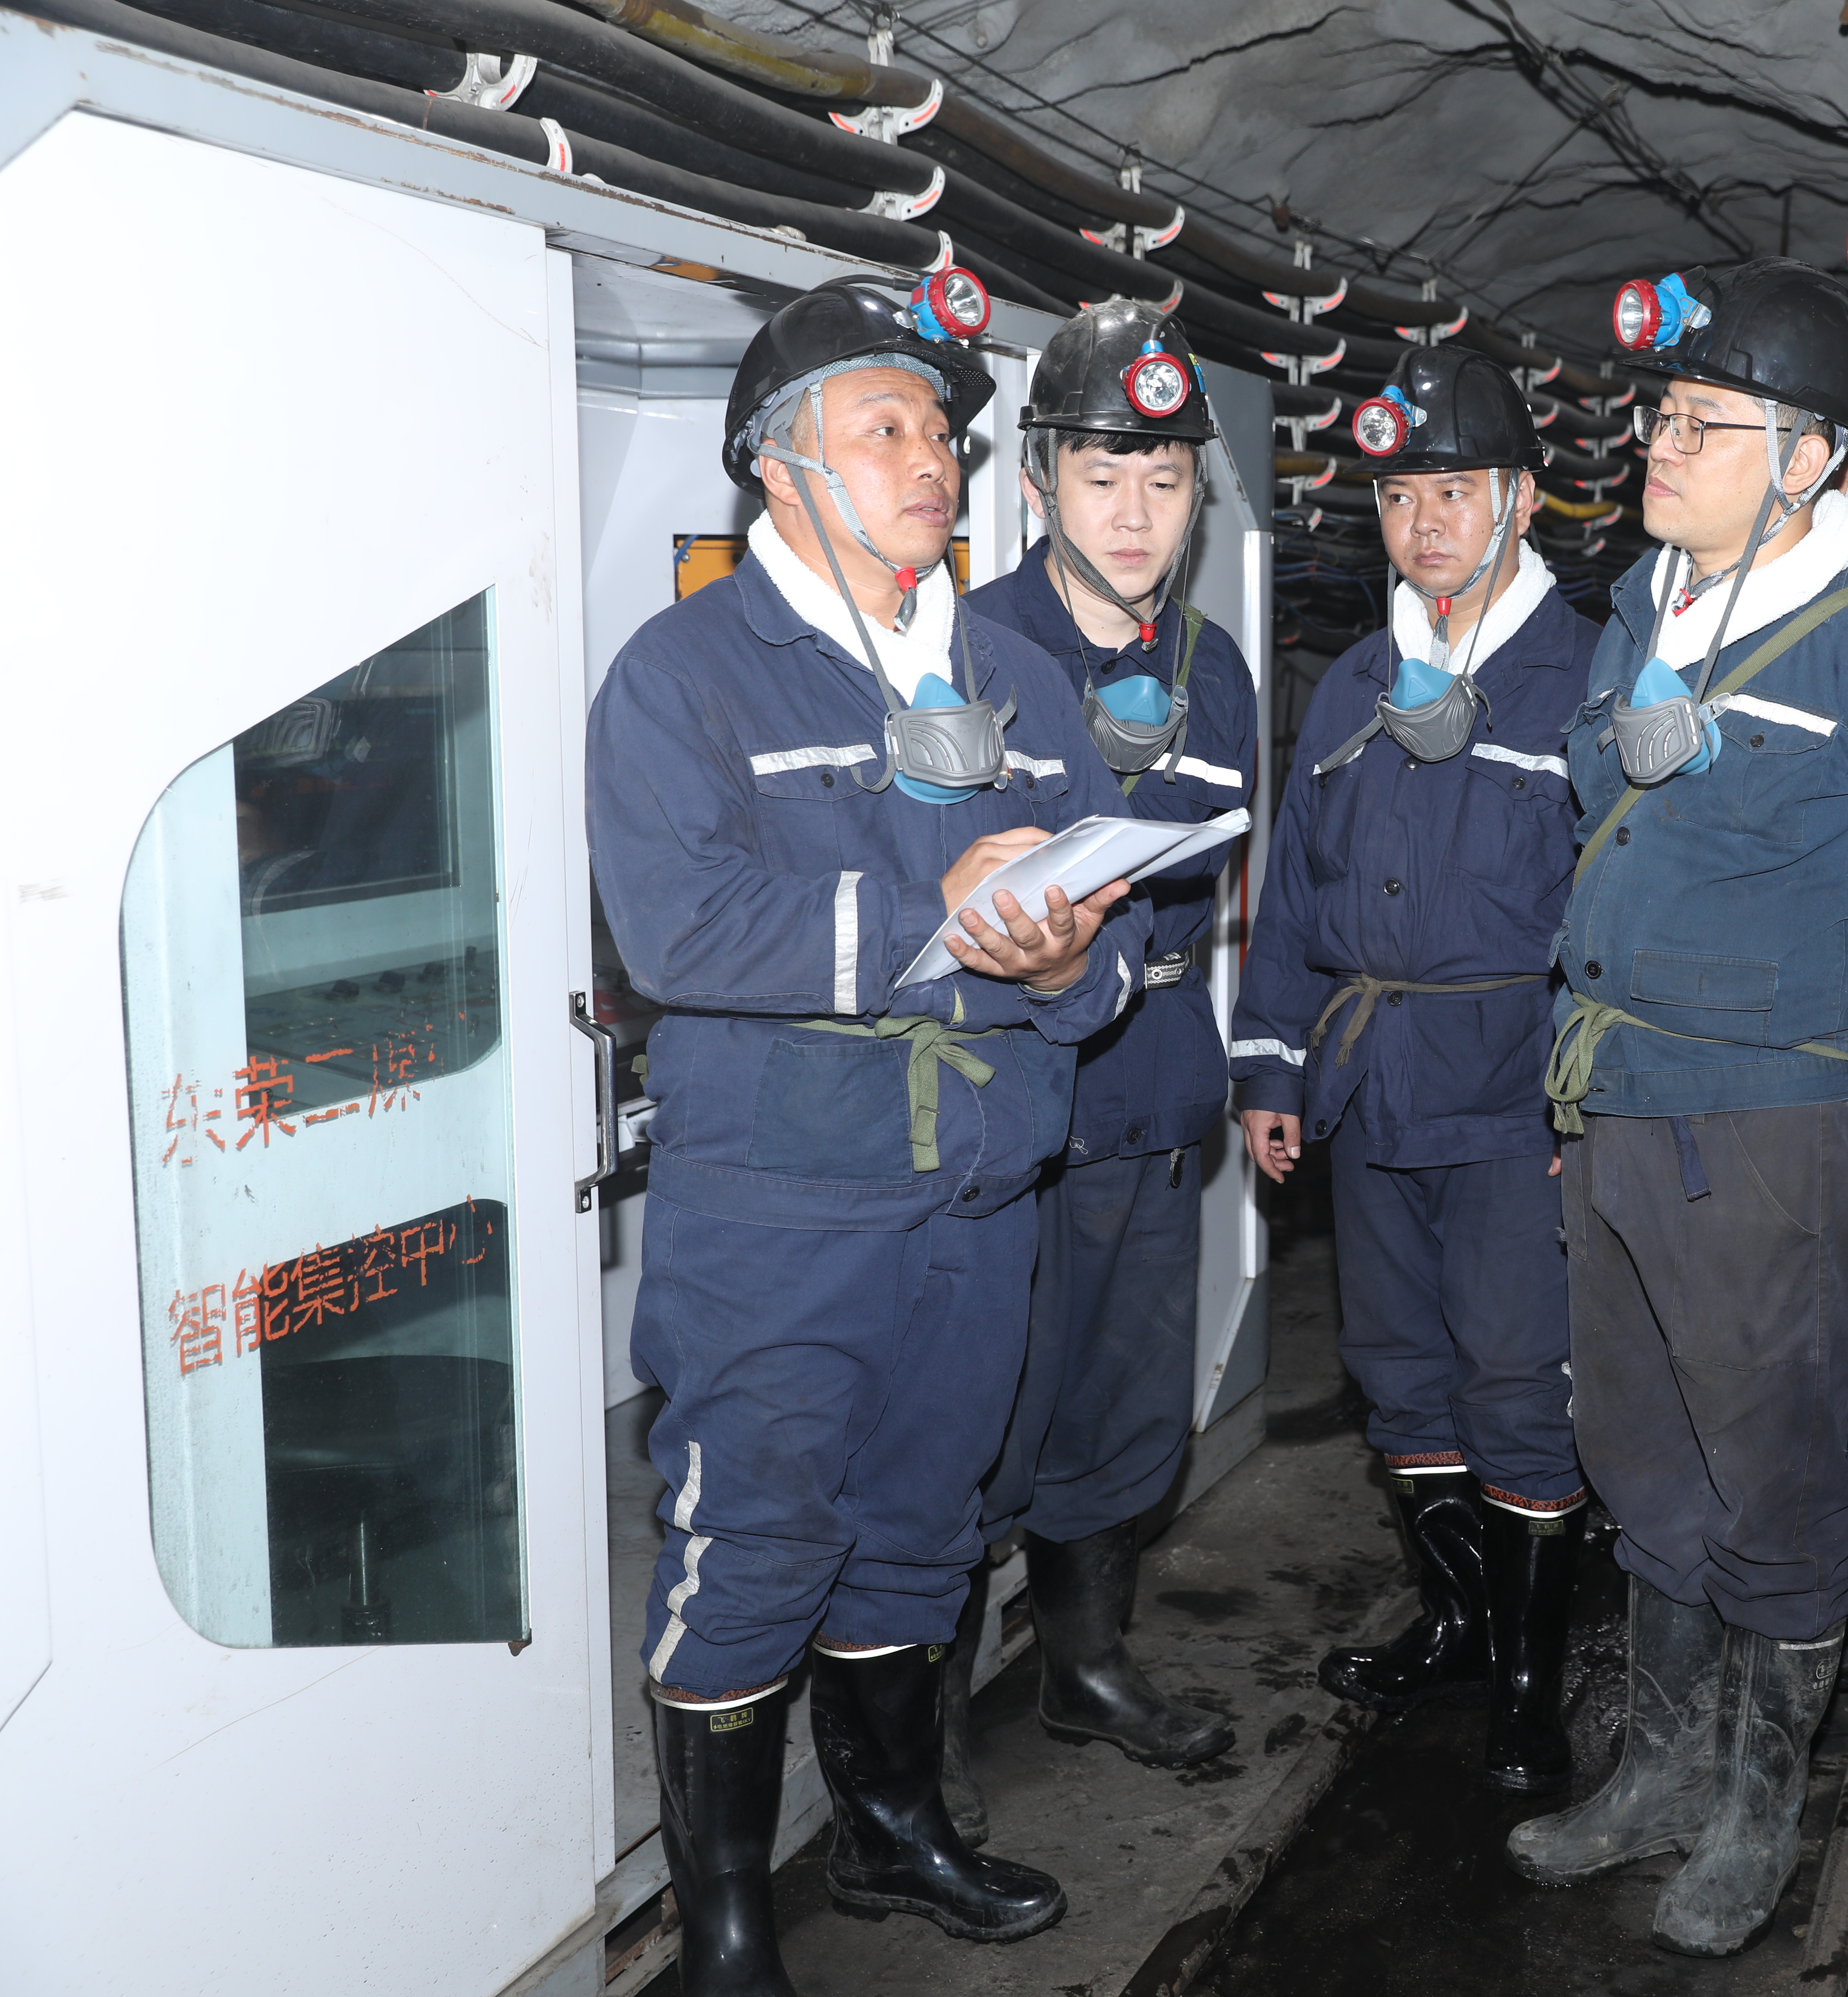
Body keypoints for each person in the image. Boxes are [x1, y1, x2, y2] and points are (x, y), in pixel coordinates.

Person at [588, 273, 1148, 1993]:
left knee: (920, 1525)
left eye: (942, 432)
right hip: (783, 1206)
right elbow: (682, 931)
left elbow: (1111, 942)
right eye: (883, 426)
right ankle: (728, 1927)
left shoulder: (1012, 678)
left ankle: (894, 1832)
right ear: (781, 465)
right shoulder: (687, 676)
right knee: (756, 1543)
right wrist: (945, 914)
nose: (932, 460)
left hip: (978, 1190)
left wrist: (1067, 962)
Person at [1508, 258, 1848, 1959]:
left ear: (1809, 461)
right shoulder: (1642, 608)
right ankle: (1664, 1770)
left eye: (1703, 424)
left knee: (1773, 1470)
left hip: (1763, 1122)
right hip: (1615, 1092)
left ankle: (1761, 1806)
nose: (1659, 448)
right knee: (1637, 1443)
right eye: (1660, 418)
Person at [1228, 346, 1597, 1792]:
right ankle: (1456, 1620)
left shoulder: (1585, 676)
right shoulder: (1353, 686)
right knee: (1400, 1372)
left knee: (1517, 1379)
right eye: (1399, 496)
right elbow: (1295, 896)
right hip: (1371, 1082)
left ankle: (1528, 1681)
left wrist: (1592, 1100)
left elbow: (1617, 906)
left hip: (1514, 1093)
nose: (1424, 522)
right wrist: (1272, 1070)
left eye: (1455, 490)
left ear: (1522, 499)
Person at [935, 303, 1255, 1820]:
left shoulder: (1215, 668)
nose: (1135, 514)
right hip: (1006, 1093)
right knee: (973, 1420)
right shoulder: (966, 655)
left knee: (1123, 1407)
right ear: (1040, 481)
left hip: (1151, 1078)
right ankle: (922, 1746)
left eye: (1166, 481)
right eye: (1104, 476)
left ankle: (1086, 1663)